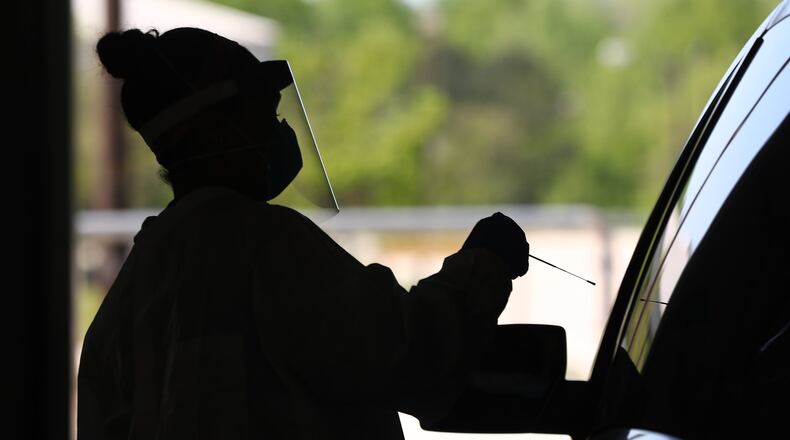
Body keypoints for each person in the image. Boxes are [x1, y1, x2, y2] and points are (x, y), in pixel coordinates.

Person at [77, 27, 530, 440]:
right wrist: (483, 266)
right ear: (211, 128)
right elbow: (404, 353)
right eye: (262, 114)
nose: (278, 132)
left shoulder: (130, 295)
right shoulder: (262, 244)